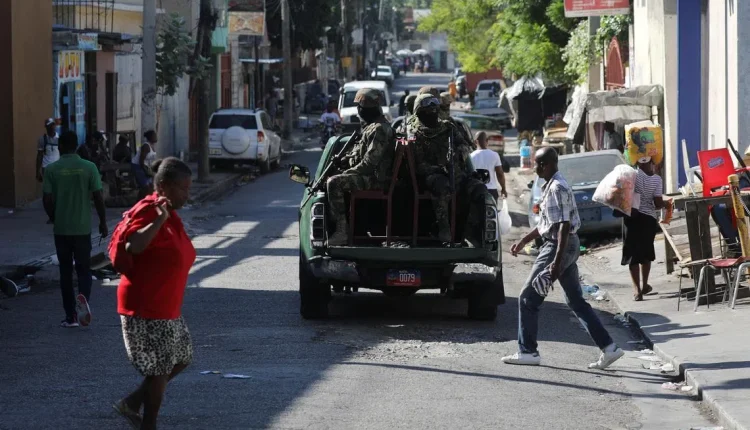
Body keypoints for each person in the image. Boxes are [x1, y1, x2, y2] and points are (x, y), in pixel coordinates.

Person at [503, 147, 624, 369]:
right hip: (565, 245)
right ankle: (609, 348)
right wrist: (523, 241)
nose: (535, 168)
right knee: (575, 300)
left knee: (528, 298)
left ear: (546, 165)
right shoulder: (551, 185)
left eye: (537, 164)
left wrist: (556, 263)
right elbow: (545, 224)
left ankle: (528, 351)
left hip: (559, 246)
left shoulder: (557, 187)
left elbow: (563, 227)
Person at [113, 157, 195, 430]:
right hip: (146, 306)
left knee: (182, 358)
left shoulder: (170, 213)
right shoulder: (151, 211)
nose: (187, 195)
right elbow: (133, 246)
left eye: (188, 188)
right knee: (160, 369)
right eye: (182, 188)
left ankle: (132, 402)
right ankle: (148, 425)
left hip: (166, 306)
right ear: (163, 186)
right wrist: (159, 220)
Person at [42, 131, 108, 328]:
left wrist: (53, 217)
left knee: (65, 272)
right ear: (76, 145)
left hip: (62, 229)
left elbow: (47, 199)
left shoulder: (51, 169)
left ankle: (70, 317)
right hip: (82, 229)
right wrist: (103, 222)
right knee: (84, 270)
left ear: (60, 146)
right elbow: (98, 197)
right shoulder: (89, 167)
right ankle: (83, 300)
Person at [412, 94, 487, 245]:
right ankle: (444, 230)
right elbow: (419, 165)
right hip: (433, 176)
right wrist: (439, 169)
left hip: (456, 173)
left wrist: (458, 152)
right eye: (428, 110)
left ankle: (472, 232)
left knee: (479, 188)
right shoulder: (416, 133)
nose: (433, 113)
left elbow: (466, 146)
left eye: (435, 109)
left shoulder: (448, 127)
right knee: (442, 186)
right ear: (420, 112)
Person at [326, 89, 396, 245]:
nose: (358, 111)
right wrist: (345, 161)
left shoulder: (380, 129)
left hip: (376, 179)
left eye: (360, 107)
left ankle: (341, 232)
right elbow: (358, 155)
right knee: (332, 177)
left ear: (367, 109)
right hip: (368, 176)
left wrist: (347, 172)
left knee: (334, 183)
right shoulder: (371, 127)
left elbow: (369, 163)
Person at [623, 156, 666, 301]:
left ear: (636, 162)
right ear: (652, 163)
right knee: (646, 252)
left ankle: (637, 290)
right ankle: (645, 284)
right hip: (648, 219)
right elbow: (658, 203)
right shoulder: (657, 179)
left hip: (631, 217)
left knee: (633, 254)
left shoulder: (631, 176)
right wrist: (666, 204)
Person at [470, 131, 507, 200]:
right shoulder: (494, 155)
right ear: (487, 141)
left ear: (475, 142)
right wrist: (503, 188)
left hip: (475, 191)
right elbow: (500, 174)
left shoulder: (470, 157)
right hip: (491, 191)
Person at [132, 130, 158, 200]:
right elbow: (141, 161)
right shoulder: (146, 146)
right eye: (154, 135)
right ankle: (139, 201)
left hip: (145, 167)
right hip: (138, 166)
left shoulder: (152, 146)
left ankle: (145, 201)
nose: (156, 137)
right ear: (150, 137)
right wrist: (146, 172)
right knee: (145, 187)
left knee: (151, 186)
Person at [37, 118, 60, 183]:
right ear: (46, 127)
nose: (51, 127)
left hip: (57, 168)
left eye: (52, 125)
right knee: (47, 187)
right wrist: (37, 171)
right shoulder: (42, 139)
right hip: (46, 168)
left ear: (54, 126)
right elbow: (39, 156)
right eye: (49, 126)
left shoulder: (59, 138)